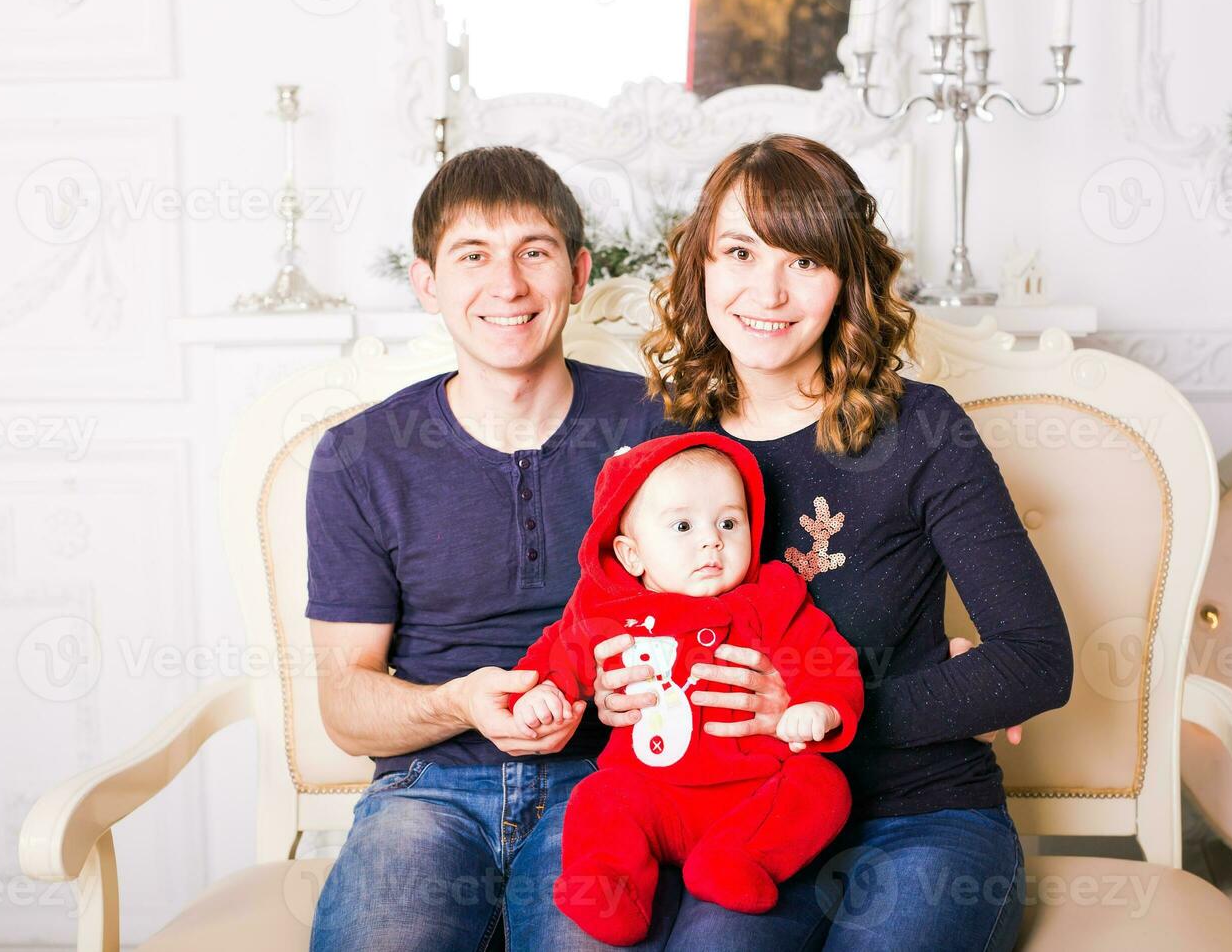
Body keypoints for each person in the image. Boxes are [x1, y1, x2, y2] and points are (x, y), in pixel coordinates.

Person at [588, 133, 1076, 951]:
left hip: (924, 821)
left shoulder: (921, 430)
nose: (767, 290)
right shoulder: (666, 448)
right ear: (700, 267)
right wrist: (615, 698)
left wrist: (824, 715)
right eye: (739, 252)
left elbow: (1034, 659)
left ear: (847, 278)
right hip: (740, 827)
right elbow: (619, 627)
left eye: (804, 261)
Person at [305, 145, 669, 951]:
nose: (507, 286)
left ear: (577, 273)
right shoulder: (360, 456)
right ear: (427, 282)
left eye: (533, 253)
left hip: (611, 781)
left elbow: (729, 608)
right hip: (425, 789)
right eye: (474, 256)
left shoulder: (657, 431)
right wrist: (457, 701)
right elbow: (345, 702)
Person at [508, 433, 864, 945]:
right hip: (653, 795)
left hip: (753, 796)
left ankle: (742, 859)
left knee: (823, 785)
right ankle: (611, 887)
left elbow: (827, 656)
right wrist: (542, 691)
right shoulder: (612, 613)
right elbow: (558, 653)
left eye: (728, 522)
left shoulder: (772, 600)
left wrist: (821, 708)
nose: (711, 540)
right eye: (682, 525)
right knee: (598, 796)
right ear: (631, 555)